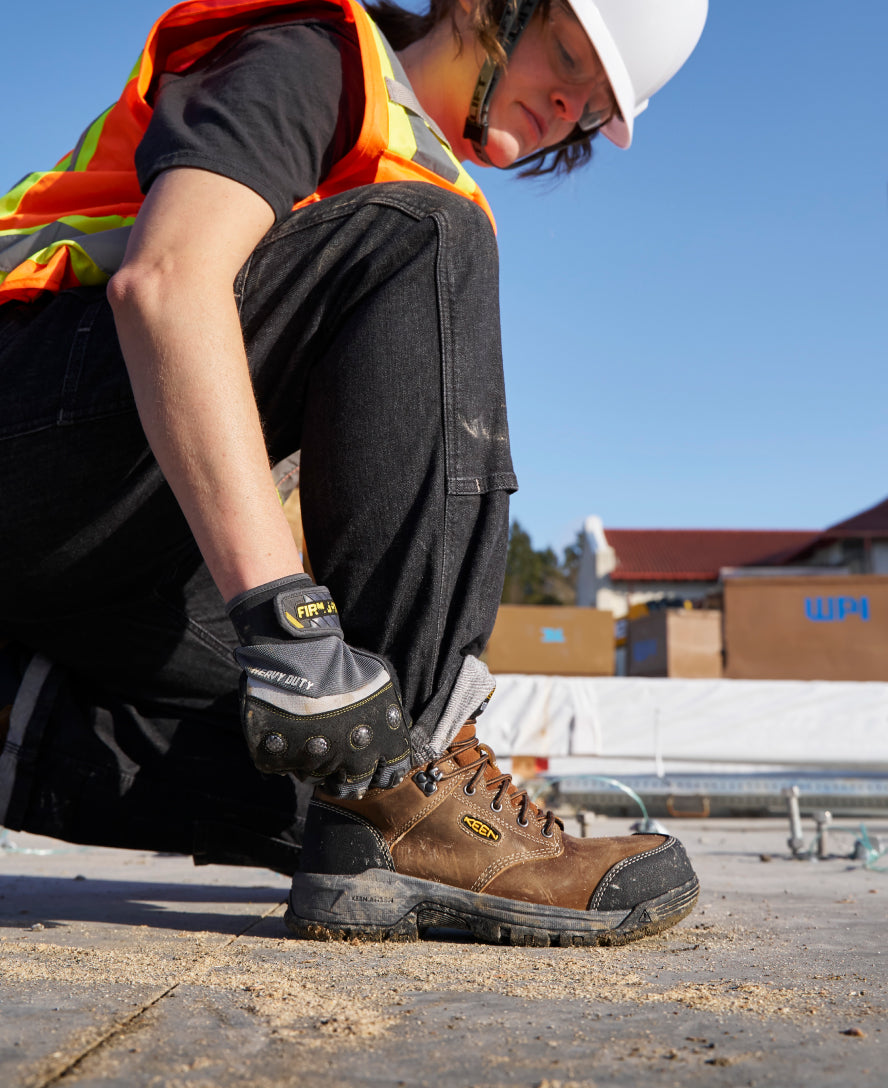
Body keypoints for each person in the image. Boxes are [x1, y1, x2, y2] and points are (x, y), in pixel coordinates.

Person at [0, 0, 707, 944]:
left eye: (591, 108)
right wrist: (288, 623)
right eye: (568, 55)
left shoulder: (407, 168)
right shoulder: (316, 56)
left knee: (340, 783)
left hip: (84, 536)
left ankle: (25, 724)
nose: (565, 106)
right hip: (32, 433)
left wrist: (341, 686)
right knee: (429, 238)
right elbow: (166, 283)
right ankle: (413, 797)